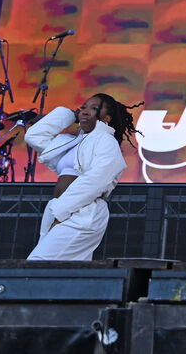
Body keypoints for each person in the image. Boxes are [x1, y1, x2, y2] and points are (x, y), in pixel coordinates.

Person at [25, 93, 141, 261]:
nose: (86, 111)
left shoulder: (105, 141)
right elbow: (34, 136)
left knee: (36, 266)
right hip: (59, 210)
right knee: (61, 276)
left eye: (94, 108)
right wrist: (68, 114)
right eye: (84, 107)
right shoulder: (70, 141)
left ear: (106, 118)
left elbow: (96, 181)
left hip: (81, 213)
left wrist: (60, 214)